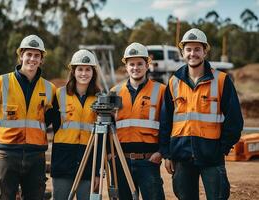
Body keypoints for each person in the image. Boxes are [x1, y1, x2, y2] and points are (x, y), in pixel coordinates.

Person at [160, 28, 244, 200]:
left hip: (212, 157)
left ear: (205, 51)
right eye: (188, 49)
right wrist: (167, 154)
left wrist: (222, 148)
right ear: (182, 52)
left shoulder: (221, 81)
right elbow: (165, 121)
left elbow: (235, 120)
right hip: (181, 157)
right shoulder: (173, 82)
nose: (193, 53)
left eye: (197, 49)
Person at [0, 34, 57, 200]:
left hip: (36, 156)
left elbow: (49, 118)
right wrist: (1, 137)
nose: (32, 59)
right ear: (21, 55)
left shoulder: (50, 88)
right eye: (29, 54)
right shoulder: (1, 83)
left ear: (41, 59)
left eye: (37, 55)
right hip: (7, 155)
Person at [111, 42, 166, 199]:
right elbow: (109, 127)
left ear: (147, 65)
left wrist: (161, 152)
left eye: (139, 64)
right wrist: (110, 155)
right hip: (121, 162)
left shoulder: (160, 90)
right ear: (126, 67)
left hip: (148, 161)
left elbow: (167, 125)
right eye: (131, 64)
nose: (135, 68)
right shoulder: (115, 92)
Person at [51, 49, 101, 200]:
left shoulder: (100, 98)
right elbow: (53, 125)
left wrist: (98, 171)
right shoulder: (59, 95)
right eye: (80, 69)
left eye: (87, 69)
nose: (84, 73)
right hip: (63, 161)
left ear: (93, 72)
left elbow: (102, 138)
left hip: (88, 162)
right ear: (73, 71)